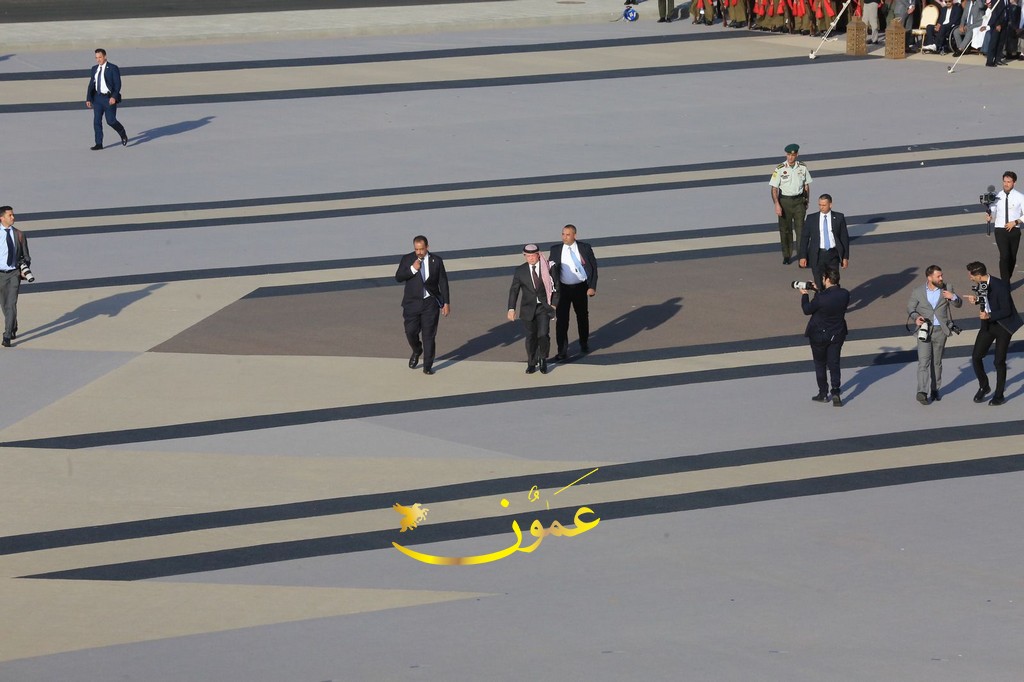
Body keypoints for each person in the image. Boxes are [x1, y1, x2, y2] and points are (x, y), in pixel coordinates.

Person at [964, 261, 1022, 405]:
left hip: (1003, 327)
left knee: (999, 361)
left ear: (978, 275)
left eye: (971, 275)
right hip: (988, 326)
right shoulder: (981, 284)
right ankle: (984, 386)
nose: (970, 278)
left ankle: (999, 395)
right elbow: (988, 301)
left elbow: (1006, 310)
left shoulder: (1000, 286)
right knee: (976, 357)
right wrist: (976, 300)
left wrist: (989, 315)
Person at [907, 265, 962, 404]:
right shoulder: (918, 291)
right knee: (923, 362)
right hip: (924, 331)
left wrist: (953, 297)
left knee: (936, 363)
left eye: (941, 275)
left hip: (941, 331)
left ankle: (935, 388)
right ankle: (922, 392)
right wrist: (916, 317)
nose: (941, 278)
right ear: (929, 277)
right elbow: (910, 307)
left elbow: (958, 304)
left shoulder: (947, 287)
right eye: (938, 276)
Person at [395, 235, 450, 375]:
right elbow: (398, 277)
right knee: (410, 332)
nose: (419, 252)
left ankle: (427, 366)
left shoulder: (436, 261)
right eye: (416, 249)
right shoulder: (407, 259)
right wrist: (412, 269)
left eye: (421, 249)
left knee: (429, 335)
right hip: (412, 304)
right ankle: (417, 350)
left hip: (430, 303)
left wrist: (446, 302)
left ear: (427, 247)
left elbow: (443, 281)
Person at [800, 266, 850, 406]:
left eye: (823, 278)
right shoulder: (845, 294)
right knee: (834, 363)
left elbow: (807, 310)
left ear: (827, 279)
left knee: (820, 364)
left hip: (819, 335)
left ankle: (823, 393)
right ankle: (836, 392)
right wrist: (818, 291)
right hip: (837, 334)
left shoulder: (821, 298)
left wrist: (804, 294)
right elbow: (829, 299)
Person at [548, 224, 598, 361]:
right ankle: (562, 351)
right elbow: (551, 272)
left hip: (580, 288)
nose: (564, 237)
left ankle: (584, 343)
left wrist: (592, 286)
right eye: (563, 234)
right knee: (562, 320)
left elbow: (593, 268)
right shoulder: (555, 250)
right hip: (562, 289)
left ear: (574, 235)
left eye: (568, 234)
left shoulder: (584, 248)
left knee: (582, 316)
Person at [508, 244, 557, 374]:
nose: (530, 258)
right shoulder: (520, 270)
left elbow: (557, 287)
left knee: (543, 334)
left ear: (538, 255)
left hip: (544, 307)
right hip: (528, 309)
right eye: (527, 256)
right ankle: (531, 362)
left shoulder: (548, 267)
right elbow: (514, 290)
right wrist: (511, 309)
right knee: (531, 337)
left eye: (533, 256)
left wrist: (554, 304)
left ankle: (543, 358)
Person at [769, 143, 813, 265]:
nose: (790, 157)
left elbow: (806, 185)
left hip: (799, 202)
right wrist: (776, 204)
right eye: (788, 155)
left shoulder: (802, 167)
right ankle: (787, 255)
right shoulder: (780, 168)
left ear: (797, 155)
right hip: (785, 202)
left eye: (792, 155)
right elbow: (774, 188)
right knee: (785, 230)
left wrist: (807, 200)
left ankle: (802, 257)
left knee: (801, 230)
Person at [798, 193, 850, 291]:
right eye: (820, 205)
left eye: (824, 205)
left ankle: (835, 299)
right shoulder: (811, 218)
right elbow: (804, 238)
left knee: (833, 282)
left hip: (833, 255)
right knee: (818, 283)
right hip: (818, 255)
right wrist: (802, 256)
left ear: (830, 205)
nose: (821, 207)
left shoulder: (839, 217)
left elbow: (844, 238)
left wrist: (845, 257)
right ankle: (820, 298)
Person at [85, 48, 128, 150]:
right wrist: (88, 98)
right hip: (97, 99)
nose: (98, 60)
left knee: (111, 121)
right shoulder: (94, 69)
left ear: (105, 57)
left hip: (109, 98)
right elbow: (91, 85)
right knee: (97, 121)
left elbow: (117, 84)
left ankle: (122, 132)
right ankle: (99, 143)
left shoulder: (113, 68)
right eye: (96, 58)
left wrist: (114, 97)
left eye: (100, 57)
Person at [985, 171, 1024, 283]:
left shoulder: (1020, 197)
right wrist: (989, 216)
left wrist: (1015, 222)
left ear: (1014, 183)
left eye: (1009, 182)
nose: (1006, 184)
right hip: (1000, 230)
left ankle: (1007, 278)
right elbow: (992, 210)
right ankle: (1005, 283)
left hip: (1014, 230)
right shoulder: (997, 197)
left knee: (1012, 257)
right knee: (1004, 255)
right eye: (1004, 181)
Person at [0, 206, 30, 348]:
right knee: (4, 304)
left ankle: (7, 336)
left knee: (11, 304)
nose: (13, 217)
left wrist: (24, 267)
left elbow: (26, 256)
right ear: (2, 218)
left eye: (13, 215)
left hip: (14, 274)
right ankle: (13, 324)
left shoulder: (19, 234)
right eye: (10, 215)